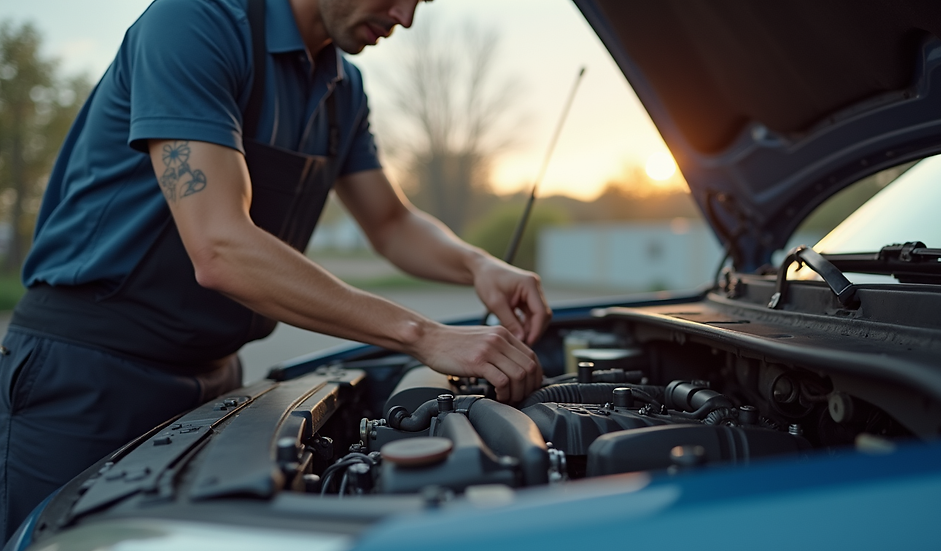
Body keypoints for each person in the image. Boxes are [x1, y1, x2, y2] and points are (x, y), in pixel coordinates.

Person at [0, 0, 550, 540]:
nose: (406, 16)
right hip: (88, 376)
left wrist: (479, 264)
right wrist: (423, 334)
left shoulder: (343, 88)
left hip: (212, 379)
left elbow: (391, 222)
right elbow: (221, 248)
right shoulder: (196, 21)